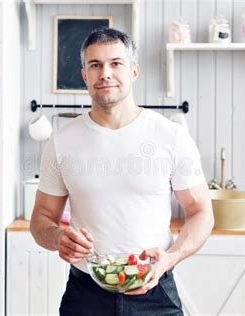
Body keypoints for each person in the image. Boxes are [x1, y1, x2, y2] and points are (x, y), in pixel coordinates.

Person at [30, 27, 214, 316]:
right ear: (85, 76)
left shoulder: (170, 136)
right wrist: (57, 238)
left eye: (116, 63)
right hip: (85, 294)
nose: (105, 73)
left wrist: (170, 258)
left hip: (155, 293)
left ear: (134, 71)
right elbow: (41, 219)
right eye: (95, 65)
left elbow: (201, 211)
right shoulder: (61, 141)